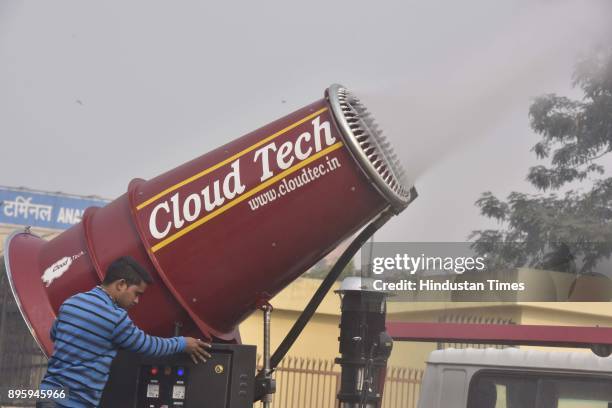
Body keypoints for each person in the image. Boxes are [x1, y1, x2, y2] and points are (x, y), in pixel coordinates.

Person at [37, 256, 211, 408]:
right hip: (75, 402)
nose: (136, 301)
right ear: (121, 284)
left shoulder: (72, 302)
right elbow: (149, 346)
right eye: (136, 293)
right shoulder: (115, 318)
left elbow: (55, 335)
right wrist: (182, 343)